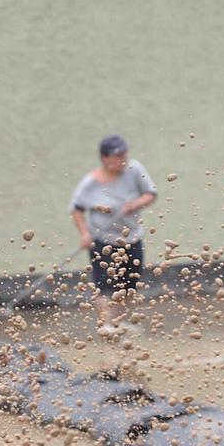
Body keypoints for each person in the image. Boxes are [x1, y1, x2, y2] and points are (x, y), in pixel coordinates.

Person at [69, 135, 157, 335]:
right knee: (104, 284)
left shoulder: (135, 170)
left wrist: (136, 204)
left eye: (124, 154)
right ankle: (105, 324)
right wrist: (84, 234)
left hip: (131, 236)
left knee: (129, 283)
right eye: (118, 156)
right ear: (105, 158)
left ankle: (119, 321)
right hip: (102, 238)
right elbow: (76, 209)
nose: (123, 159)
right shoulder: (90, 183)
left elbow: (150, 193)